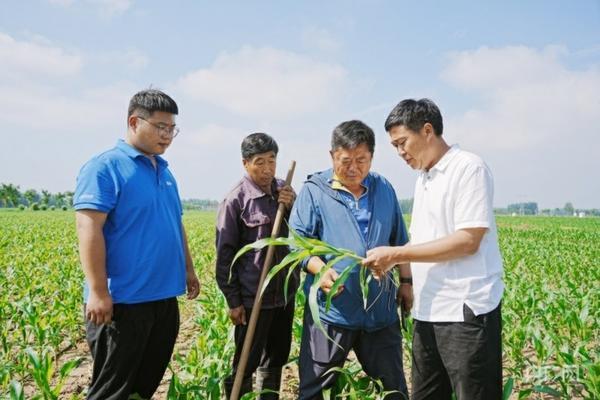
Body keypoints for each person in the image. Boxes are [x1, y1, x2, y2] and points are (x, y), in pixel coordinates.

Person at [363, 98, 504, 400]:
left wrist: (397, 254)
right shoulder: (424, 178)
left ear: (427, 130)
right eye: (394, 146)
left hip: (464, 312)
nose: (400, 153)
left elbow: (468, 240)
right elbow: (425, 240)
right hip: (428, 312)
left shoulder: (468, 168)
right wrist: (396, 267)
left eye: (402, 143)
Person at [74, 89, 200, 400]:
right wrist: (99, 291)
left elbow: (175, 223)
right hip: (123, 304)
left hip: (163, 299)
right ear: (134, 122)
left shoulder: (165, 171)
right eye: (161, 127)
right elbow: (89, 228)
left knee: (143, 388)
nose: (168, 136)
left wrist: (189, 269)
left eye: (172, 129)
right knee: (112, 391)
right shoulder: (105, 167)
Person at [289, 120, 412, 400]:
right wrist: (321, 270)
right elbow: (297, 243)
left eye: (362, 160)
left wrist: (406, 281)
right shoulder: (315, 190)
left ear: (372, 157)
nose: (354, 168)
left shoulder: (383, 188)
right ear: (332, 155)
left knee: (394, 389)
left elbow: (399, 240)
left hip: (380, 310)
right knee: (315, 389)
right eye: (346, 161)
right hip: (333, 312)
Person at [215, 133, 297, 399]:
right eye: (259, 162)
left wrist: (292, 205)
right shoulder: (235, 201)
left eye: (272, 161)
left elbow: (302, 230)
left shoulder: (284, 191)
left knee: (276, 358)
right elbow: (224, 257)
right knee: (245, 362)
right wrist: (234, 301)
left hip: (282, 295)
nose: (267, 169)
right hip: (253, 298)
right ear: (245, 163)